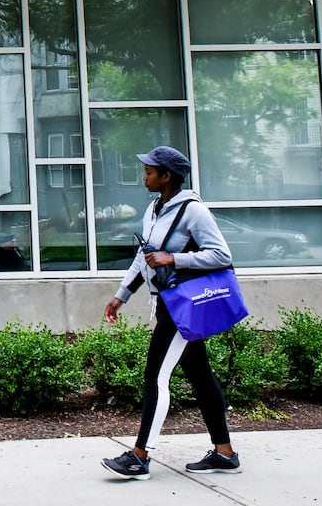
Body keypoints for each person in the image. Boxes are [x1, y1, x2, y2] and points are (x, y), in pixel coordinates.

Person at [100, 146, 241, 480]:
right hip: (165, 302)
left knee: (156, 378)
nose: (144, 175)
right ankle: (225, 454)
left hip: (182, 307)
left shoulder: (194, 211)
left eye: (149, 171)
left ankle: (139, 456)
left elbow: (221, 255)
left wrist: (174, 259)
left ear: (166, 176)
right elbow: (144, 256)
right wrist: (122, 296)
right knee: (201, 378)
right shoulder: (154, 209)